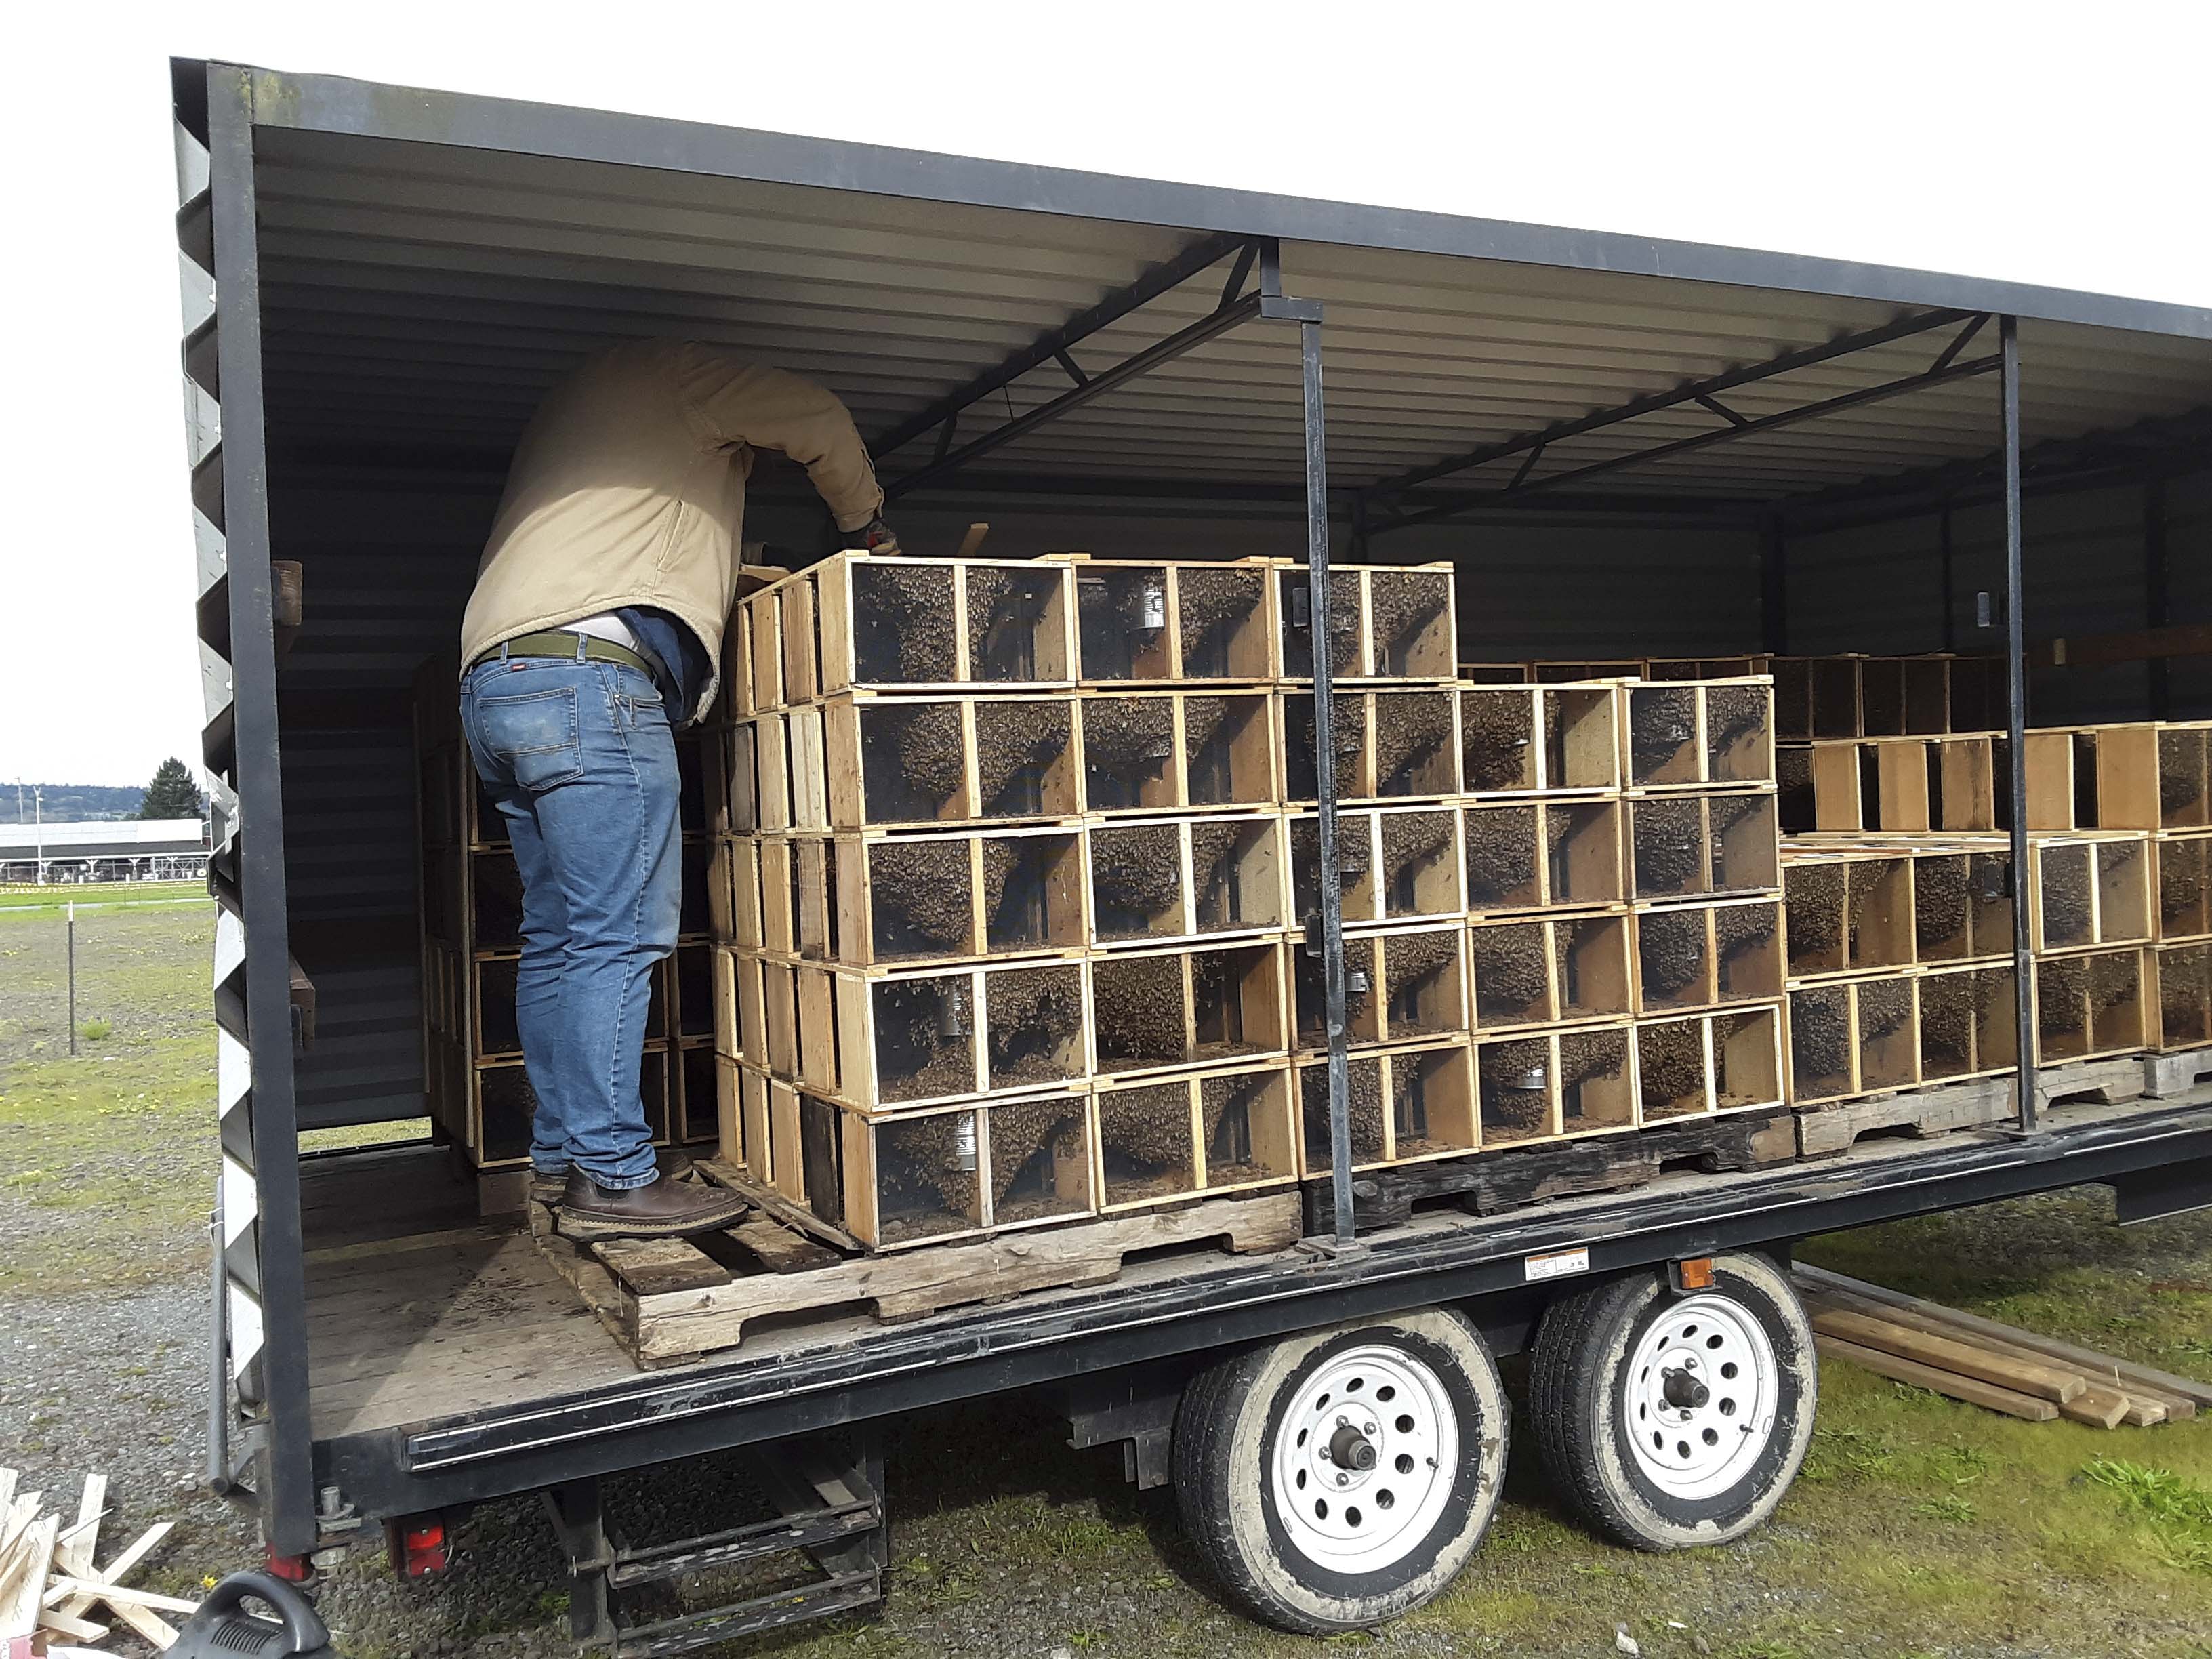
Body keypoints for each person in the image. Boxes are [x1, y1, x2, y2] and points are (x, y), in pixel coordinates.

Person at [457, 340, 897, 1239]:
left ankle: (558, 1159)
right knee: (618, 940)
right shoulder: (681, 376)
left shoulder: (581, 412)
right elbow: (819, 420)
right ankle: (616, 1178)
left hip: (498, 684)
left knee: (559, 940)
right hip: (590, 682)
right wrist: (870, 532)